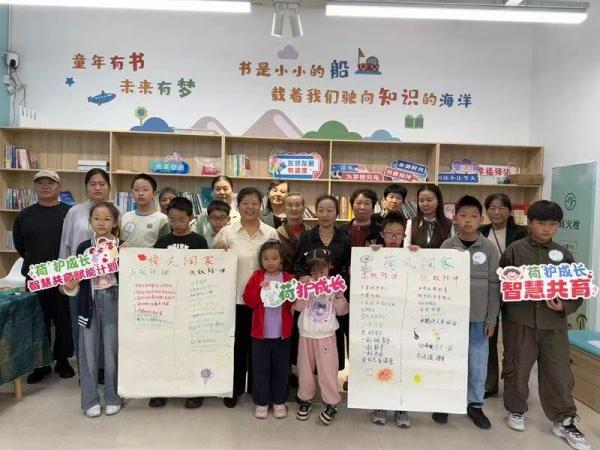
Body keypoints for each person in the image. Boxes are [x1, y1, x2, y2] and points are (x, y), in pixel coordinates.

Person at [500, 200, 590, 450]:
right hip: (521, 321)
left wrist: (564, 306)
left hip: (554, 325)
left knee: (559, 372)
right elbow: (501, 284)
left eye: (553, 224)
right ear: (529, 223)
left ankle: (564, 419)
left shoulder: (564, 254)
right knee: (517, 367)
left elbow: (577, 290)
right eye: (541, 223)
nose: (547, 229)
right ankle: (516, 409)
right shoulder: (515, 251)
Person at [214, 187, 279, 408]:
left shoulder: (270, 233)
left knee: (259, 348)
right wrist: (218, 251)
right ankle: (233, 389)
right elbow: (214, 263)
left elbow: (277, 263)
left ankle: (256, 389)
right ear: (238, 205)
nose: (250, 207)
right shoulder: (227, 232)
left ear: (261, 206)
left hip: (263, 301)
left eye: (254, 203)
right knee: (236, 347)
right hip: (234, 300)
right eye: (245, 203)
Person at [441, 195, 500, 429]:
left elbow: (494, 286)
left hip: (479, 319)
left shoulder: (489, 248)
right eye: (463, 215)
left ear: (481, 219)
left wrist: (492, 318)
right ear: (454, 218)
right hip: (450, 319)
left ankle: (475, 405)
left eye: (474, 216)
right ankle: (444, 402)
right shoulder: (447, 246)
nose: (468, 220)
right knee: (448, 360)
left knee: (477, 363)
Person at [61, 202, 122, 418]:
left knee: (112, 351)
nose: (101, 223)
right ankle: (90, 401)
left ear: (115, 222)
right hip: (88, 303)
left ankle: (113, 397)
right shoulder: (83, 248)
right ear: (90, 222)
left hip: (114, 300)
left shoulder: (123, 247)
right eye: (96, 218)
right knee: (87, 352)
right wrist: (70, 284)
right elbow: (74, 281)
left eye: (107, 219)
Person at [13, 170, 74, 382]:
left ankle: (62, 360)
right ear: (35, 187)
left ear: (59, 186)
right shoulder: (25, 215)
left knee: (63, 320)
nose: (45, 186)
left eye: (50, 182)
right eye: (40, 183)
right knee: (39, 321)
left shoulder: (69, 213)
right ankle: (41, 364)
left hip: (63, 275)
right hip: (37, 276)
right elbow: (21, 246)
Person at [149, 197, 208, 409]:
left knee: (190, 347)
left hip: (192, 301)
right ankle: (161, 390)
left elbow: (206, 271)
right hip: (167, 302)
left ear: (190, 218)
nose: (177, 224)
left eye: (181, 220)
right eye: (172, 220)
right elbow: (153, 269)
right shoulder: (162, 242)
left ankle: (194, 390)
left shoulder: (199, 241)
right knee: (165, 347)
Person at [404, 184, 453, 424]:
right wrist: (412, 251)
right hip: (417, 289)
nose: (425, 204)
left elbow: (453, 253)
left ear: (438, 201)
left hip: (441, 291)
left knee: (438, 342)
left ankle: (438, 393)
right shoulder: (411, 223)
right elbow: (404, 250)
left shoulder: (449, 224)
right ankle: (416, 385)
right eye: (421, 200)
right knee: (417, 339)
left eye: (429, 199)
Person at [59, 168, 112, 373]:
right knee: (81, 323)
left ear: (109, 187)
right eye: (92, 184)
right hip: (79, 278)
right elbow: (66, 246)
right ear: (86, 187)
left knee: (107, 326)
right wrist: (63, 277)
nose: (97, 188)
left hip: (107, 279)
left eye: (102, 184)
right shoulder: (74, 211)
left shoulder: (116, 210)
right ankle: (86, 370)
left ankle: (104, 369)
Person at [294, 195, 351, 373]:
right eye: (321, 210)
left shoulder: (344, 238)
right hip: (311, 297)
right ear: (316, 213)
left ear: (337, 213)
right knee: (309, 335)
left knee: (332, 334)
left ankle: (330, 375)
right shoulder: (306, 236)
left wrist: (338, 284)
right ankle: (309, 378)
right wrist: (304, 278)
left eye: (330, 210)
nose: (325, 214)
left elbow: (348, 265)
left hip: (334, 296)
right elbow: (298, 264)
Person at [479, 193, 529, 397]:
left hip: (513, 290)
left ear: (509, 210)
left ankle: (513, 385)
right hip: (487, 289)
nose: (496, 212)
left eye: (501, 208)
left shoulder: (522, 232)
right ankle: (489, 384)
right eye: (492, 208)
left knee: (514, 339)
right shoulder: (481, 231)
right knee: (488, 336)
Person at [294, 249, 349, 425]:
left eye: (322, 270)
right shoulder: (307, 284)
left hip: (326, 335)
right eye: (314, 271)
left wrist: (339, 295)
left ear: (329, 266)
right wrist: (303, 290)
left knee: (328, 370)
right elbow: (297, 307)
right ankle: (305, 399)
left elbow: (342, 311)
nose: (318, 275)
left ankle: (331, 402)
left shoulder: (335, 285)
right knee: (305, 370)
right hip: (306, 334)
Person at [243, 240, 295, 419]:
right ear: (261, 260)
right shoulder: (257, 277)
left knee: (281, 369)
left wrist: (288, 292)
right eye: (265, 258)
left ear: (281, 259)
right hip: (260, 335)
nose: (270, 262)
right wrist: (259, 290)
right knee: (260, 369)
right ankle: (262, 402)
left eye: (274, 258)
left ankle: (279, 401)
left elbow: (293, 302)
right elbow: (248, 300)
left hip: (282, 334)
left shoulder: (288, 278)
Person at [368, 213, 410, 428]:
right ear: (382, 235)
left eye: (398, 234)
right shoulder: (373, 255)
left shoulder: (411, 255)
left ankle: (402, 406)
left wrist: (419, 256)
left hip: (403, 320)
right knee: (382, 361)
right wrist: (371, 256)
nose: (394, 238)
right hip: (380, 319)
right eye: (389, 234)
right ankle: (380, 404)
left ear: (404, 236)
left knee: (402, 362)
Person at [277, 192, 308, 385]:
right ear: (284, 208)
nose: (294, 209)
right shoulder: (276, 233)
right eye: (290, 205)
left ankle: (301, 371)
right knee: (284, 328)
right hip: (283, 286)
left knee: (302, 329)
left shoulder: (310, 232)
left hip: (304, 288)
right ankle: (285, 371)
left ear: (303, 207)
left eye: (298, 205)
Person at [120, 174, 169, 248]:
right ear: (132, 193)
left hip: (152, 255)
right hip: (126, 255)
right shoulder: (125, 217)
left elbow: (165, 247)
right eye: (136, 190)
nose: (140, 193)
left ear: (154, 194)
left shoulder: (162, 219)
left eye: (145, 189)